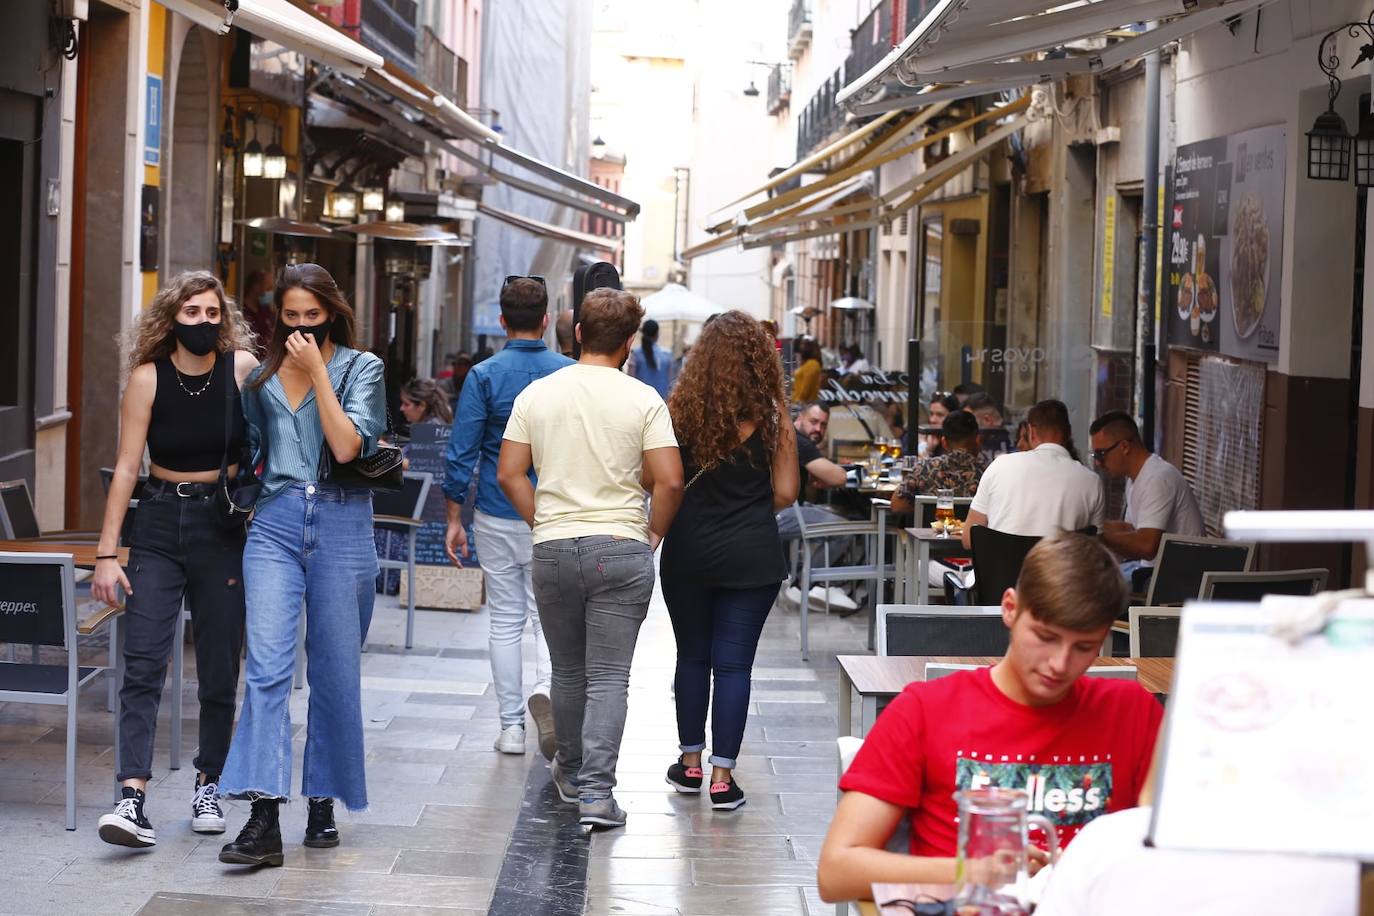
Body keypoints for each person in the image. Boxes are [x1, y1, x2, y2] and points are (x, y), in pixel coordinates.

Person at [816, 533, 1163, 903]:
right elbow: (836, 872)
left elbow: (1170, 856)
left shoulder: (1134, 712)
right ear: (1010, 609)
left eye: (1084, 647)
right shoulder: (925, 710)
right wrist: (973, 871)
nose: (1060, 664)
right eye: (1045, 637)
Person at [217, 263, 388, 867]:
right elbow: (256, 457)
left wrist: (318, 373)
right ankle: (262, 815)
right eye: (290, 317)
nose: (301, 328)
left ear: (332, 313)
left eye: (312, 317)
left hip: (343, 521)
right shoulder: (259, 379)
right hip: (275, 523)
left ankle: (322, 799)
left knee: (335, 673)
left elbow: (346, 446)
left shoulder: (362, 368)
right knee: (265, 666)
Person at [497, 287, 684, 830]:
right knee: (609, 677)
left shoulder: (538, 394)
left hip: (554, 546)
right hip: (621, 548)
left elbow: (510, 472)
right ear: (630, 342)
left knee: (569, 670)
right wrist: (652, 533)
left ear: (577, 333)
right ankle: (597, 796)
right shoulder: (645, 400)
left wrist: (544, 523)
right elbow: (670, 479)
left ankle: (571, 770)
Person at [91, 271, 257, 848]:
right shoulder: (146, 378)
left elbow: (270, 440)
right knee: (142, 661)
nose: (203, 324)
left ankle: (208, 782)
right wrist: (107, 554)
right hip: (160, 518)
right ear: (171, 318)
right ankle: (132, 796)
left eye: (213, 314)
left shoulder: (240, 371)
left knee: (218, 662)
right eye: (192, 314)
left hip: (223, 522)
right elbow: (127, 467)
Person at [659, 311, 799, 811]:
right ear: (760, 360)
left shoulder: (681, 414)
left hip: (688, 553)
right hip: (751, 556)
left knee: (692, 657)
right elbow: (786, 492)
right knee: (735, 666)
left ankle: (689, 763)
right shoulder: (776, 420)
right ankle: (723, 779)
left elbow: (660, 481)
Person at [443, 276, 572, 758]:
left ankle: (512, 727)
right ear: (545, 320)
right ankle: (546, 688)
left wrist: (454, 515)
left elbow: (462, 452)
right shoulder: (567, 372)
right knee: (547, 620)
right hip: (552, 513)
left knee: (505, 622)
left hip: (496, 511)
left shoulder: (484, 375)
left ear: (502, 320)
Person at [961, 399, 1104, 549]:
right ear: (1068, 433)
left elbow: (969, 539)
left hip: (1001, 571)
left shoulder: (999, 466)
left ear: (1032, 432)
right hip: (1060, 571)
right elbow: (1095, 548)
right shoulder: (1091, 481)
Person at [1089, 411, 1204, 574]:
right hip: (1155, 571)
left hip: (1180, 576)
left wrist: (1098, 535)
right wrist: (1088, 524)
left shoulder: (1157, 478)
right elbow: (1129, 528)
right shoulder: (1135, 478)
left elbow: (1146, 546)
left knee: (1096, 585)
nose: (1098, 463)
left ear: (1124, 447)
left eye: (1100, 454)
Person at [776, 402, 855, 613]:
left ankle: (823, 583)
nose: (818, 429)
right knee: (844, 529)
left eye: (823, 425)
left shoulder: (790, 436)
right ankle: (808, 585)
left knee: (841, 516)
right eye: (813, 422)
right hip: (778, 515)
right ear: (799, 418)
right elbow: (839, 477)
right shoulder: (798, 441)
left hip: (775, 511)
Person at [889, 411, 988, 514]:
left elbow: (897, 506)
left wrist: (921, 508)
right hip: (971, 530)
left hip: (930, 529)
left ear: (944, 443)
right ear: (978, 440)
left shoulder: (924, 468)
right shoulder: (988, 472)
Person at [626, 318, 674, 398]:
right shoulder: (667, 355)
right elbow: (670, 381)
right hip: (662, 402)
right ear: (657, 334)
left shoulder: (636, 354)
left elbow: (630, 381)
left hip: (641, 401)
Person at [240, 269, 276, 356]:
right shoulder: (242, 312)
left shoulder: (266, 310)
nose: (271, 293)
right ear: (256, 287)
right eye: (268, 288)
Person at [920, 392, 960, 457]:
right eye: (931, 414)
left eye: (940, 415)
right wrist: (928, 450)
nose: (932, 420)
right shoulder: (925, 440)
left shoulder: (960, 445)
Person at [791, 338, 823, 403]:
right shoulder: (808, 364)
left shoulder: (812, 364)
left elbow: (806, 387)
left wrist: (799, 401)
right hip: (799, 403)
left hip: (804, 404)